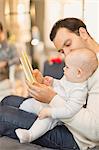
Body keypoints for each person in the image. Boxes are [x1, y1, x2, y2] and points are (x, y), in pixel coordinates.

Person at [0, 17, 99, 150]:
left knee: (2, 114)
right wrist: (44, 84)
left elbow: (95, 131)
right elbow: (64, 92)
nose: (67, 53)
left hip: (76, 137)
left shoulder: (93, 69)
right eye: (62, 51)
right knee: (8, 100)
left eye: (68, 44)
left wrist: (52, 98)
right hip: (60, 119)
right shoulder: (77, 61)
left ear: (83, 33)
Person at [15, 48, 98, 144]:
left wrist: (50, 112)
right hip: (51, 105)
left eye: (67, 67)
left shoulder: (79, 92)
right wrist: (52, 82)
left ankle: (30, 135)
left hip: (59, 115)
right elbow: (62, 85)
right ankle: (21, 111)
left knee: (46, 120)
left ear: (78, 72)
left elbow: (69, 111)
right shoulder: (72, 79)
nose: (63, 68)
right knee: (28, 103)